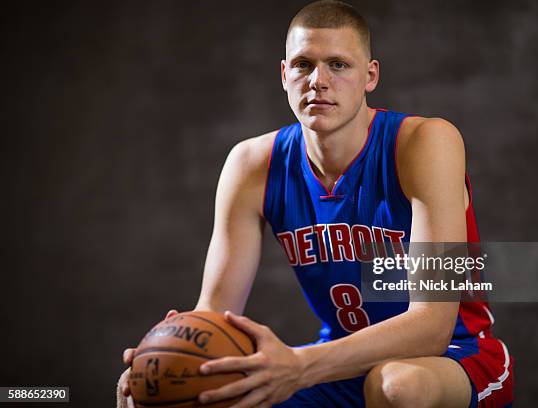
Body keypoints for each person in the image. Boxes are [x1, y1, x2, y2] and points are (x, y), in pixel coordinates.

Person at [118, 1, 514, 407]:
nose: (318, 81)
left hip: (454, 357)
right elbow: (216, 314)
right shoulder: (252, 164)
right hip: (339, 363)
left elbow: (433, 326)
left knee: (397, 386)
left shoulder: (424, 143)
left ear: (370, 76)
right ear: (284, 74)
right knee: (222, 396)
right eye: (304, 64)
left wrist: (299, 365)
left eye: (338, 65)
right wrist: (166, 362)